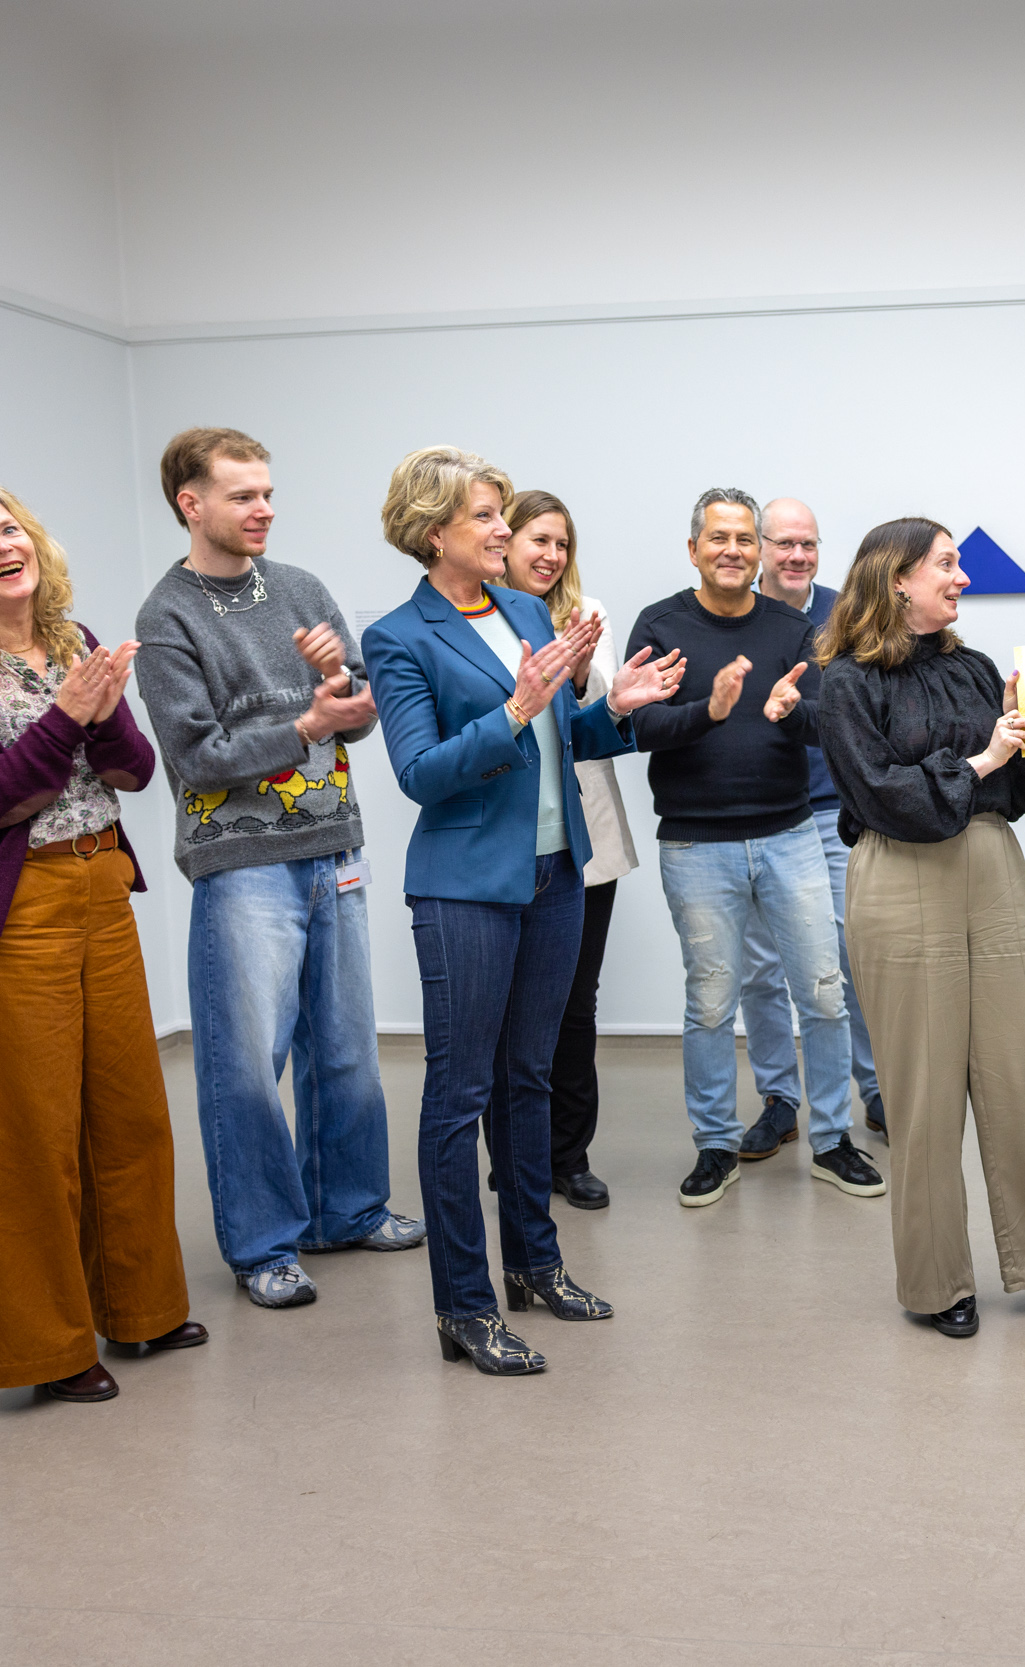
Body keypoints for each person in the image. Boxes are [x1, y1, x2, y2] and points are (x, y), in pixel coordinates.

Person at [362, 447, 683, 1375]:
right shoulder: (399, 636)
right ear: (435, 533)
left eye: (504, 513)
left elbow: (563, 732)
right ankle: (463, 1304)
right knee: (459, 1098)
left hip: (555, 875)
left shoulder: (526, 610)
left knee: (530, 1079)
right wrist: (513, 708)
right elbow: (420, 773)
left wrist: (609, 707)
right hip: (464, 883)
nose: (505, 530)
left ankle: (536, 1265)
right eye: (487, 517)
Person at [0, 481, 200, 1403]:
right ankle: (48, 1349)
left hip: (102, 885)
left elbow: (137, 772)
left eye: (9, 528)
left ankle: (143, 1308)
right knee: (34, 1136)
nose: (0, 545)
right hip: (14, 907)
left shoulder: (75, 639)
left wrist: (102, 708)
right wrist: (67, 716)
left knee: (131, 1114)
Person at [817, 516, 1025, 1339]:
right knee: (923, 1091)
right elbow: (879, 793)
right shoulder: (846, 680)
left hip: (992, 866)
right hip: (900, 874)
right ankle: (936, 1283)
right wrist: (983, 760)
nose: (960, 576)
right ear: (896, 577)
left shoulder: (974, 669)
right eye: (946, 564)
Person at [133, 427, 423, 1313]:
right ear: (192, 503)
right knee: (246, 1065)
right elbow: (196, 753)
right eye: (243, 495)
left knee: (345, 1048)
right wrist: (306, 725)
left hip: (333, 843)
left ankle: (350, 1208)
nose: (263, 509)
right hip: (241, 863)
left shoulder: (300, 588)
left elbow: (355, 712)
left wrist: (352, 701)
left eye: (267, 493)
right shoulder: (167, 615)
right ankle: (264, 1244)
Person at [624, 488, 885, 1207]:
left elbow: (825, 722)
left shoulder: (790, 627)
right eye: (720, 537)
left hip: (790, 834)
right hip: (695, 845)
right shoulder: (661, 623)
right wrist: (705, 714)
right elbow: (637, 730)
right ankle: (715, 1143)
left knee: (825, 995)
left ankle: (833, 1138)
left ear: (757, 549)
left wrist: (792, 711)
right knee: (712, 1002)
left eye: (744, 538)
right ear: (694, 548)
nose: (733, 549)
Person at [501, 489, 638, 1209]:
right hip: (506, 838)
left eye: (562, 543)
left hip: (586, 836)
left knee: (572, 1005)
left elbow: (604, 715)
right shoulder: (479, 621)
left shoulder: (589, 615)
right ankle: (511, 1154)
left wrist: (582, 671)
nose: (551, 555)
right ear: (504, 542)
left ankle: (566, 1154)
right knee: (504, 1008)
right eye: (538, 540)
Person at [736, 496, 886, 1147]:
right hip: (752, 817)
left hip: (829, 815)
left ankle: (876, 1085)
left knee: (850, 958)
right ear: (760, 548)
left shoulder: (845, 613)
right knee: (760, 969)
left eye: (808, 544)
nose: (797, 556)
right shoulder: (733, 612)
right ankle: (778, 1098)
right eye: (784, 544)